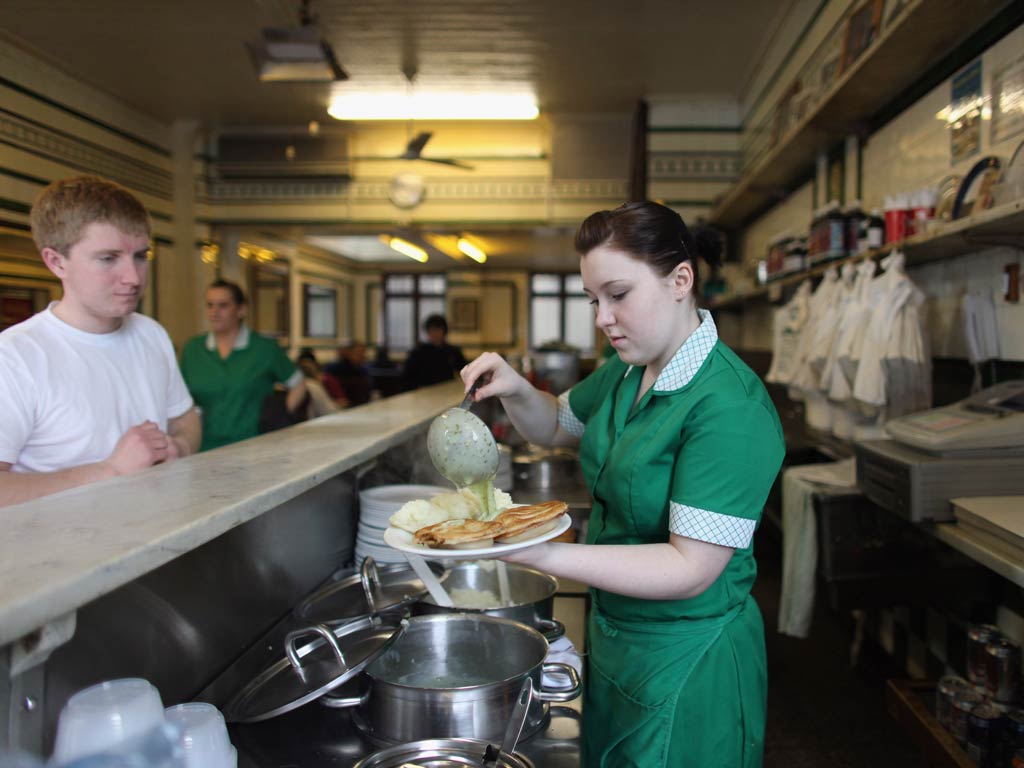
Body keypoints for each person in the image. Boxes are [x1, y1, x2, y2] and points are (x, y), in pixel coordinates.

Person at [460, 201, 785, 767]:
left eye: (618, 295)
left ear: (680, 280)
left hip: (688, 659)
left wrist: (538, 552)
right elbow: (557, 425)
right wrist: (514, 388)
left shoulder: (730, 407)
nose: (602, 318)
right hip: (620, 640)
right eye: (594, 300)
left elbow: (690, 569)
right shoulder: (630, 368)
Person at [0, 175, 201, 507]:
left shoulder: (151, 334)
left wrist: (179, 447)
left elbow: (184, 419)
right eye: (108, 258)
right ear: (56, 261)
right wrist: (111, 470)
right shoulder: (15, 357)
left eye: (140, 256)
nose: (133, 278)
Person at [180, 280, 306, 451]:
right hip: (205, 450)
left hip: (254, 449)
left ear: (241, 310)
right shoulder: (193, 350)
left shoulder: (264, 349)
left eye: (223, 305)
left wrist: (279, 420)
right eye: (210, 305)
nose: (214, 312)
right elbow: (180, 400)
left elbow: (299, 385)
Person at [402, 314, 467, 390]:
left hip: (446, 390)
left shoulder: (453, 351)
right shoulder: (418, 352)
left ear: (444, 331)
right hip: (423, 391)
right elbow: (406, 376)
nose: (435, 333)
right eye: (432, 330)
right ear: (427, 331)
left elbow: (464, 370)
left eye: (438, 329)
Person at [296, 348, 345, 416]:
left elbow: (343, 401)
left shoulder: (328, 380)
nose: (307, 369)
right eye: (304, 367)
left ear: (315, 365)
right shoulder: (308, 385)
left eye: (309, 366)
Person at [324, 341, 371, 405]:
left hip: (362, 405)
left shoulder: (362, 369)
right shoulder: (336, 369)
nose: (361, 355)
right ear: (349, 353)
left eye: (363, 352)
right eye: (357, 352)